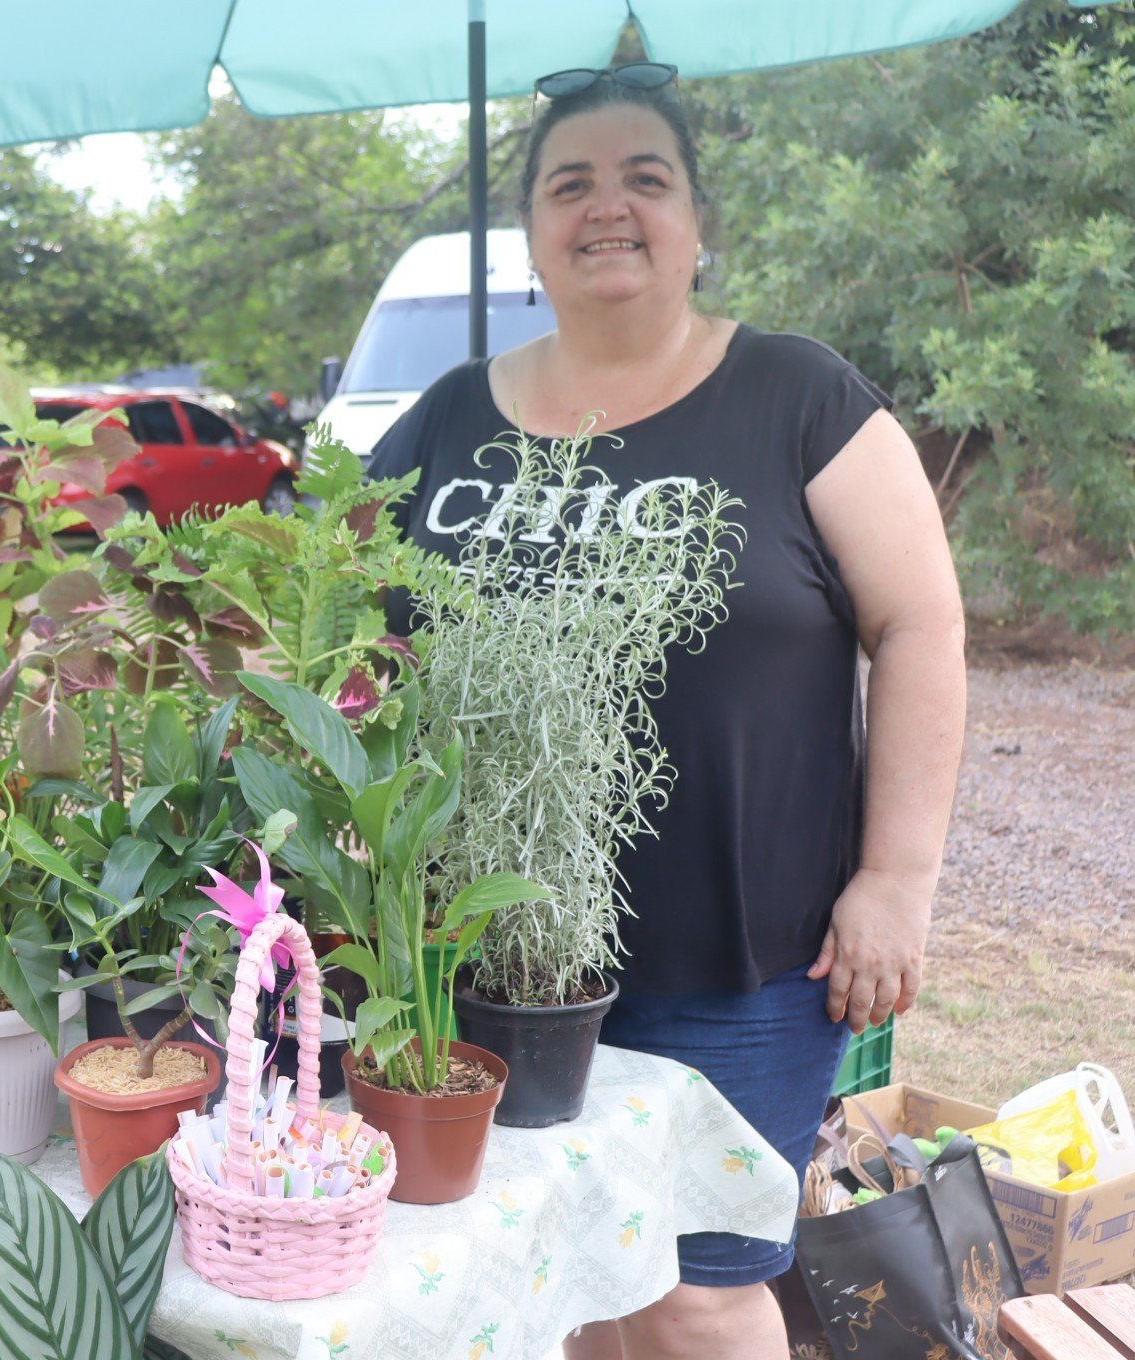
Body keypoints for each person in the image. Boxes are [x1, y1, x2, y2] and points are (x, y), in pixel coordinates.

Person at [367, 64, 966, 1360]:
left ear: (701, 225)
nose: (608, 208)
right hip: (495, 953)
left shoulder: (799, 397)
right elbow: (324, 625)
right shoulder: (445, 420)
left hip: (742, 957)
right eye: (569, 183)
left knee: (697, 1290)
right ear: (529, 234)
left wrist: (898, 877)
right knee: (569, 1267)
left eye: (647, 178)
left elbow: (921, 624)